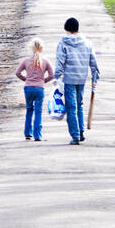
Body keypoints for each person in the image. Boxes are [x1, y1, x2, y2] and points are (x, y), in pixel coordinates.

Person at [55, 17, 99, 145]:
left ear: (66, 29)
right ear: (78, 29)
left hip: (69, 78)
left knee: (71, 107)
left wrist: (56, 77)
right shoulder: (87, 43)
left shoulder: (63, 43)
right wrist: (95, 78)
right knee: (79, 104)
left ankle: (75, 136)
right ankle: (80, 132)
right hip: (82, 78)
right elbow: (93, 62)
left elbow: (60, 62)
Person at [14, 38, 54, 141]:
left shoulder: (26, 60)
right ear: (42, 48)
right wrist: (42, 81)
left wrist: (26, 79)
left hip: (28, 88)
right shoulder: (45, 61)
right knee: (38, 111)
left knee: (29, 110)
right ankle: (37, 135)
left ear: (32, 48)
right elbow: (52, 75)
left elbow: (17, 73)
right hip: (39, 88)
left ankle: (27, 133)